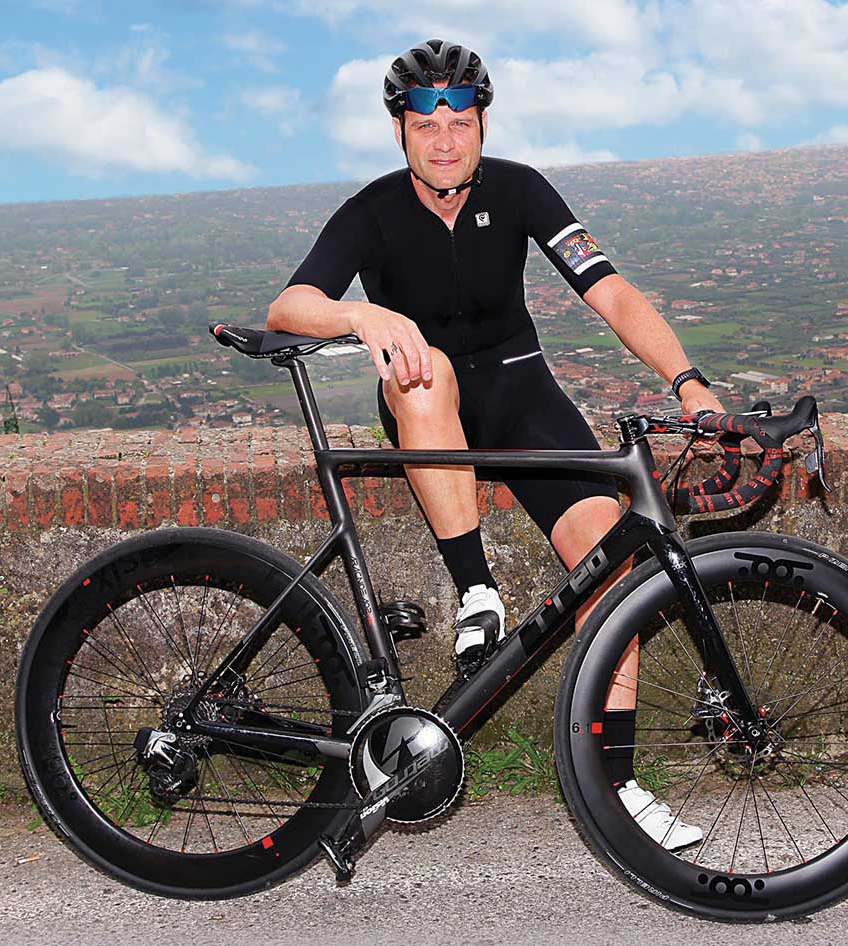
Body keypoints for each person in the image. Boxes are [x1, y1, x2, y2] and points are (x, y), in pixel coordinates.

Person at [268, 39, 722, 850]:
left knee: (612, 568)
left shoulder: (520, 189)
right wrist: (361, 315)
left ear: (482, 124)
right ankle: (475, 589)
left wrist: (688, 382)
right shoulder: (372, 210)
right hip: (427, 403)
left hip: (523, 397)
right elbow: (289, 305)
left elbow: (610, 290)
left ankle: (617, 786)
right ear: (400, 132)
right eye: (425, 124)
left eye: (461, 123)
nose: (444, 141)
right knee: (424, 373)